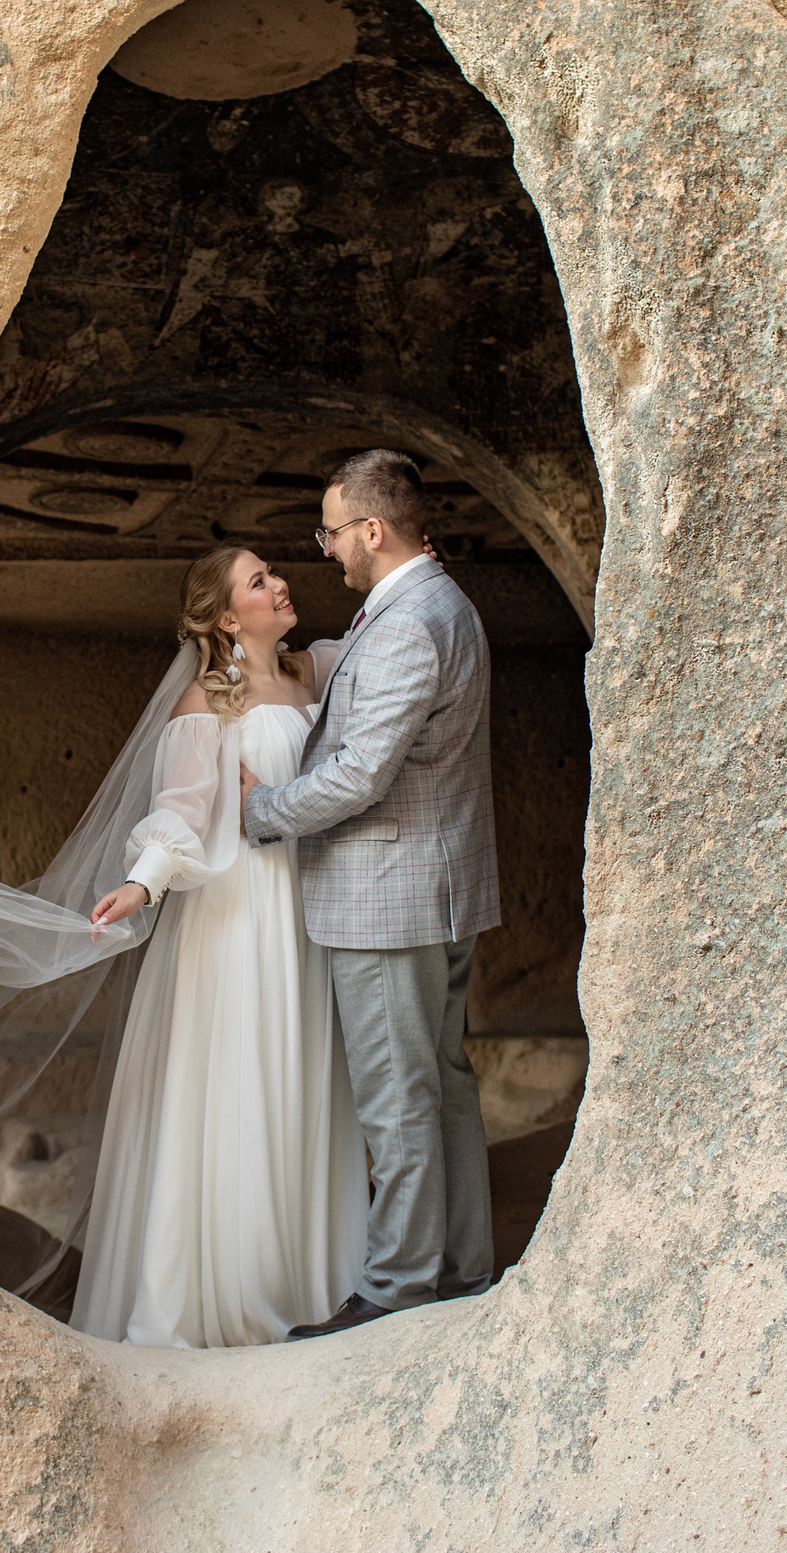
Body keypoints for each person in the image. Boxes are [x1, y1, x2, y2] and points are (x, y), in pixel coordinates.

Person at [74, 547, 366, 1346]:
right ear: (229, 617)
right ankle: (232, 1292)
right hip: (239, 916)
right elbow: (183, 803)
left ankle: (315, 1282)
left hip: (310, 911)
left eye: (276, 572)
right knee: (243, 1082)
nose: (280, 585)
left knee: (306, 1080)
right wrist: (141, 882)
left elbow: (388, 633)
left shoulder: (321, 672)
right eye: (259, 581)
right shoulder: (209, 700)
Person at [238, 448, 499, 1339]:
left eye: (333, 531)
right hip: (436, 887)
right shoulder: (434, 605)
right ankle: (463, 1268)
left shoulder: (408, 622)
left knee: (399, 1095)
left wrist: (260, 808)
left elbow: (358, 775)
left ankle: (396, 1287)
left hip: (389, 898)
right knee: (443, 1083)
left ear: (374, 530)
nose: (326, 549)